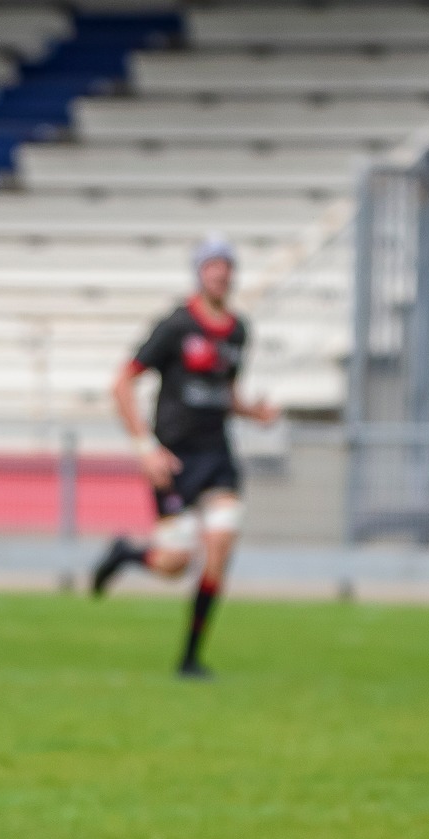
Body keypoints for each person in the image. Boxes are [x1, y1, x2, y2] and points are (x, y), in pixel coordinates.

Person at [92, 235, 278, 679]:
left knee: (220, 543)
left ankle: (190, 658)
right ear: (199, 273)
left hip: (217, 458)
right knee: (174, 564)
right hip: (173, 461)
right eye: (212, 265)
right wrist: (146, 448)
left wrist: (252, 411)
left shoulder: (238, 330)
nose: (221, 273)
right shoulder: (175, 326)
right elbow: (122, 383)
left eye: (227, 265)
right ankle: (125, 555)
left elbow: (224, 392)